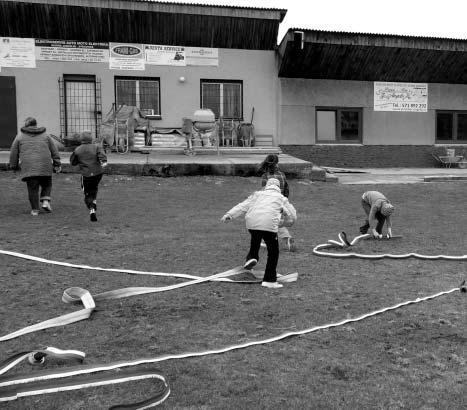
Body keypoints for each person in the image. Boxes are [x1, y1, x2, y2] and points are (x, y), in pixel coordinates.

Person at [221, 178, 297, 289]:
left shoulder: (257, 195)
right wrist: (286, 224)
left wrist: (229, 215)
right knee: (273, 252)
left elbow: (242, 206)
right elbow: (292, 215)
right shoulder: (281, 198)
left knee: (255, 238)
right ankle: (269, 280)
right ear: (279, 188)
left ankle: (252, 257)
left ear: (266, 186)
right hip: (269, 226)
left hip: (251, 223)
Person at [9, 117, 61, 216]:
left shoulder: (20, 136)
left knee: (32, 188)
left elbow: (13, 152)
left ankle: (35, 210)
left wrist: (14, 166)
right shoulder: (46, 135)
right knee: (47, 184)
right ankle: (45, 201)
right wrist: (57, 163)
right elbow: (54, 150)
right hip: (45, 166)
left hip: (29, 168)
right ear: (36, 124)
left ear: (26, 125)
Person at [258, 154, 296, 251]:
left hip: (270, 203)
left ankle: (269, 240)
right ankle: (286, 239)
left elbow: (264, 191)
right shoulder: (282, 175)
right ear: (277, 164)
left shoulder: (266, 176)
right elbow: (287, 190)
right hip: (282, 202)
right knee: (276, 222)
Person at [69, 130, 107, 222]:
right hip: (98, 173)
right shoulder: (96, 147)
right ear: (91, 139)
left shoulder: (78, 149)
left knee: (87, 192)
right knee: (94, 188)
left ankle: (92, 208)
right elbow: (102, 155)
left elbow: (73, 162)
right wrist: (103, 161)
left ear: (81, 139)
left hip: (86, 174)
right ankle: (94, 201)